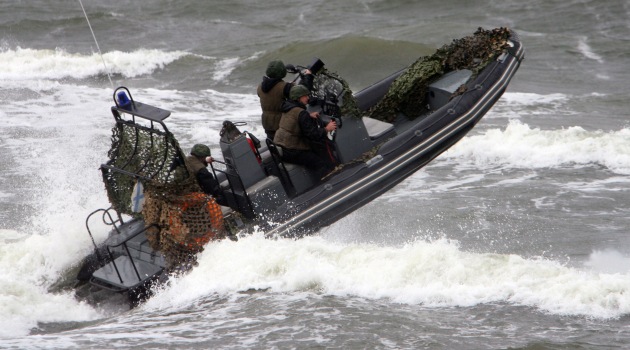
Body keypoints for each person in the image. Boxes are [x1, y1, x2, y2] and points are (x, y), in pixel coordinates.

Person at [273, 85, 337, 179]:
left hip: (282, 146)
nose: (308, 98)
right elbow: (313, 135)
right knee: (320, 163)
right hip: (292, 150)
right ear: (298, 97)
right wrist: (327, 128)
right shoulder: (301, 113)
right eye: (305, 96)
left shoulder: (288, 107)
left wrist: (308, 115)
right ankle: (326, 183)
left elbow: (294, 119)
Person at [257, 59, 313, 140]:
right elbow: (302, 91)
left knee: (276, 147)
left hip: (267, 124)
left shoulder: (260, 87)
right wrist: (308, 76)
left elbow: (271, 96)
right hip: (281, 124)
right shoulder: (284, 87)